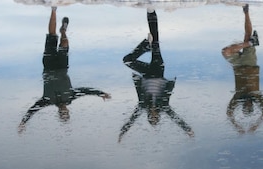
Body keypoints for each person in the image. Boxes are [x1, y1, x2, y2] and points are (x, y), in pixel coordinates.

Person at [18, 7, 110, 133]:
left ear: (59, 113)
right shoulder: (71, 97)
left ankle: (54, 9)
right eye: (65, 113)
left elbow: (34, 109)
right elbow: (85, 91)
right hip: (62, 66)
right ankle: (63, 31)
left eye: (62, 114)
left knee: (51, 35)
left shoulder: (47, 100)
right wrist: (100, 93)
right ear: (68, 110)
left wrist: (24, 121)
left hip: (49, 65)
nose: (63, 111)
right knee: (65, 42)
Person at [119, 9, 194, 142]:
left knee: (127, 60)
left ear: (148, 116)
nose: (154, 116)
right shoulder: (163, 106)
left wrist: (123, 132)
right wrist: (187, 129)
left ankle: (145, 45)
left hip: (146, 74)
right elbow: (175, 117)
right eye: (156, 118)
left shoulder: (143, 105)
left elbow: (133, 118)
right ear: (158, 116)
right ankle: (151, 13)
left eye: (151, 118)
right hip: (158, 71)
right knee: (156, 43)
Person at [222, 4, 263, 134]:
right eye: (249, 107)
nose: (247, 105)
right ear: (253, 105)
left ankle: (251, 43)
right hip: (250, 63)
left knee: (225, 51)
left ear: (242, 106)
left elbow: (229, 113)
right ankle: (246, 11)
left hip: (237, 66)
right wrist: (256, 124)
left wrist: (237, 126)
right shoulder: (257, 96)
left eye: (245, 107)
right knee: (247, 35)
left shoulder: (238, 96)